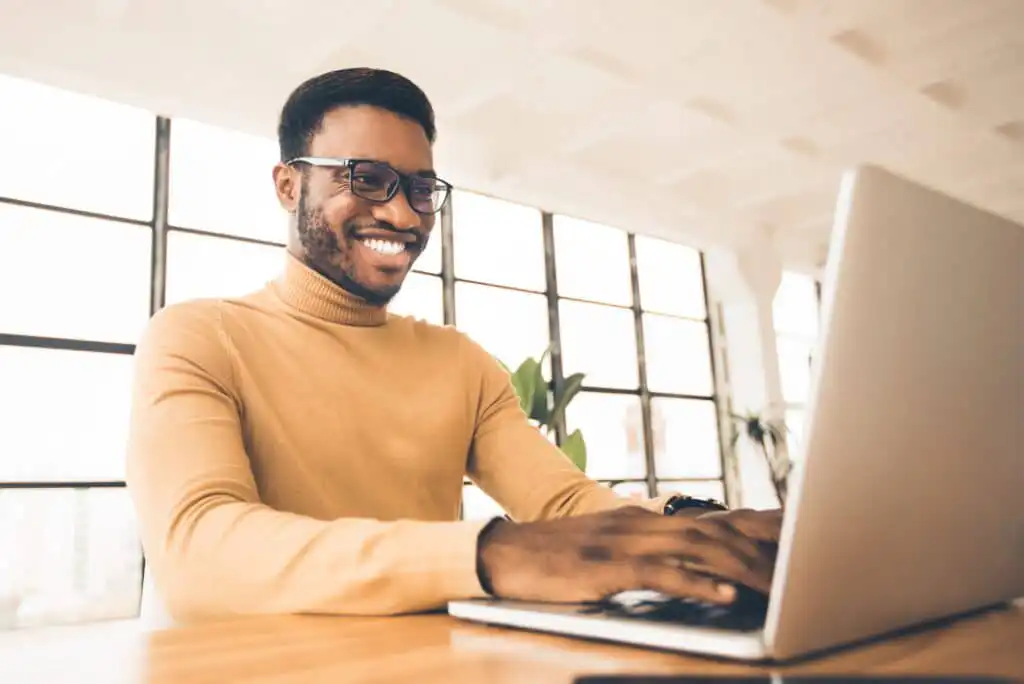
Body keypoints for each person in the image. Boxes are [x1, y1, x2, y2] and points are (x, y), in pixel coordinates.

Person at [125, 67, 780, 623]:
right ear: (289, 185)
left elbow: (565, 505)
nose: (406, 215)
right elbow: (197, 548)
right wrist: (490, 554)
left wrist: (699, 523)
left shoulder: (458, 363)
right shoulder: (197, 336)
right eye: (366, 177)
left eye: (420, 188)